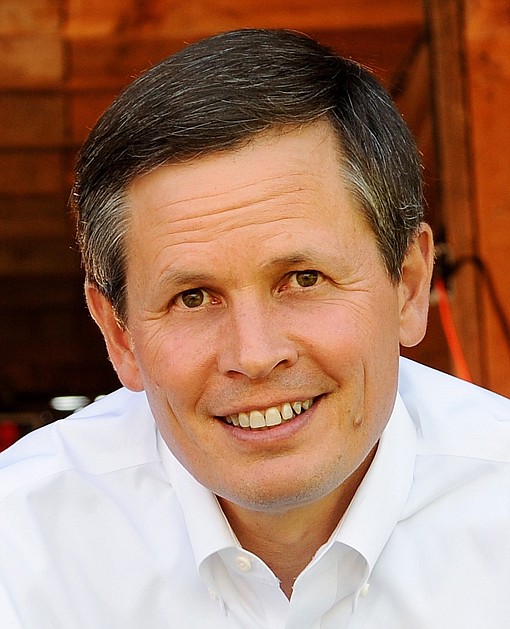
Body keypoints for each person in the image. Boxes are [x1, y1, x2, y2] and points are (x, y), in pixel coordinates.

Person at [0, 28, 509, 629]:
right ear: (119, 334)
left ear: (409, 285)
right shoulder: (20, 544)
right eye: (193, 298)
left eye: (304, 278)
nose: (255, 354)